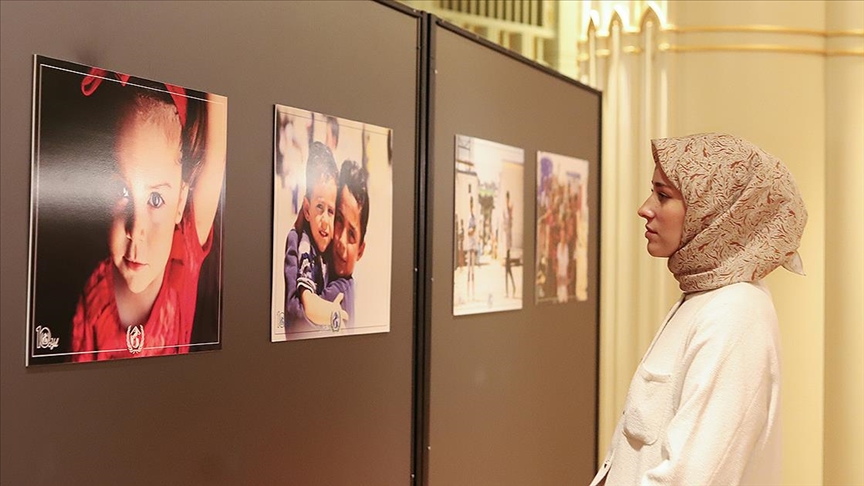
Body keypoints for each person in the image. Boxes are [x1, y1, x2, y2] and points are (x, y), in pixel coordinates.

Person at [590, 133, 807, 485]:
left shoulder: (735, 313)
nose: (645, 208)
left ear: (717, 211)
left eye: (663, 196)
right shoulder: (704, 296)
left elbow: (694, 477)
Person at [71, 68, 227, 361]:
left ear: (180, 202)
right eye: (123, 193)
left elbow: (216, 154)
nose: (136, 228)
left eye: (155, 198)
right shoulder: (93, 298)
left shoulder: (188, 248)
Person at [301, 159, 370, 329]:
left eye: (352, 234)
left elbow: (296, 312)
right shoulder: (325, 269)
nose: (340, 241)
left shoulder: (337, 292)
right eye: (339, 220)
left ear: (360, 251)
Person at [283, 141, 344, 331]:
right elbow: (304, 306)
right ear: (307, 209)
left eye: (331, 211)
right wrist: (333, 313)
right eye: (319, 207)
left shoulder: (331, 245)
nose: (325, 220)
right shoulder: (302, 244)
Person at [503, 191, 516, 298]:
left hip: (509, 239)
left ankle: (510, 289)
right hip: (506, 239)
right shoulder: (505, 212)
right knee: (507, 269)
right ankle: (510, 289)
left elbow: (510, 224)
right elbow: (504, 225)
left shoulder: (510, 211)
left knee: (507, 268)